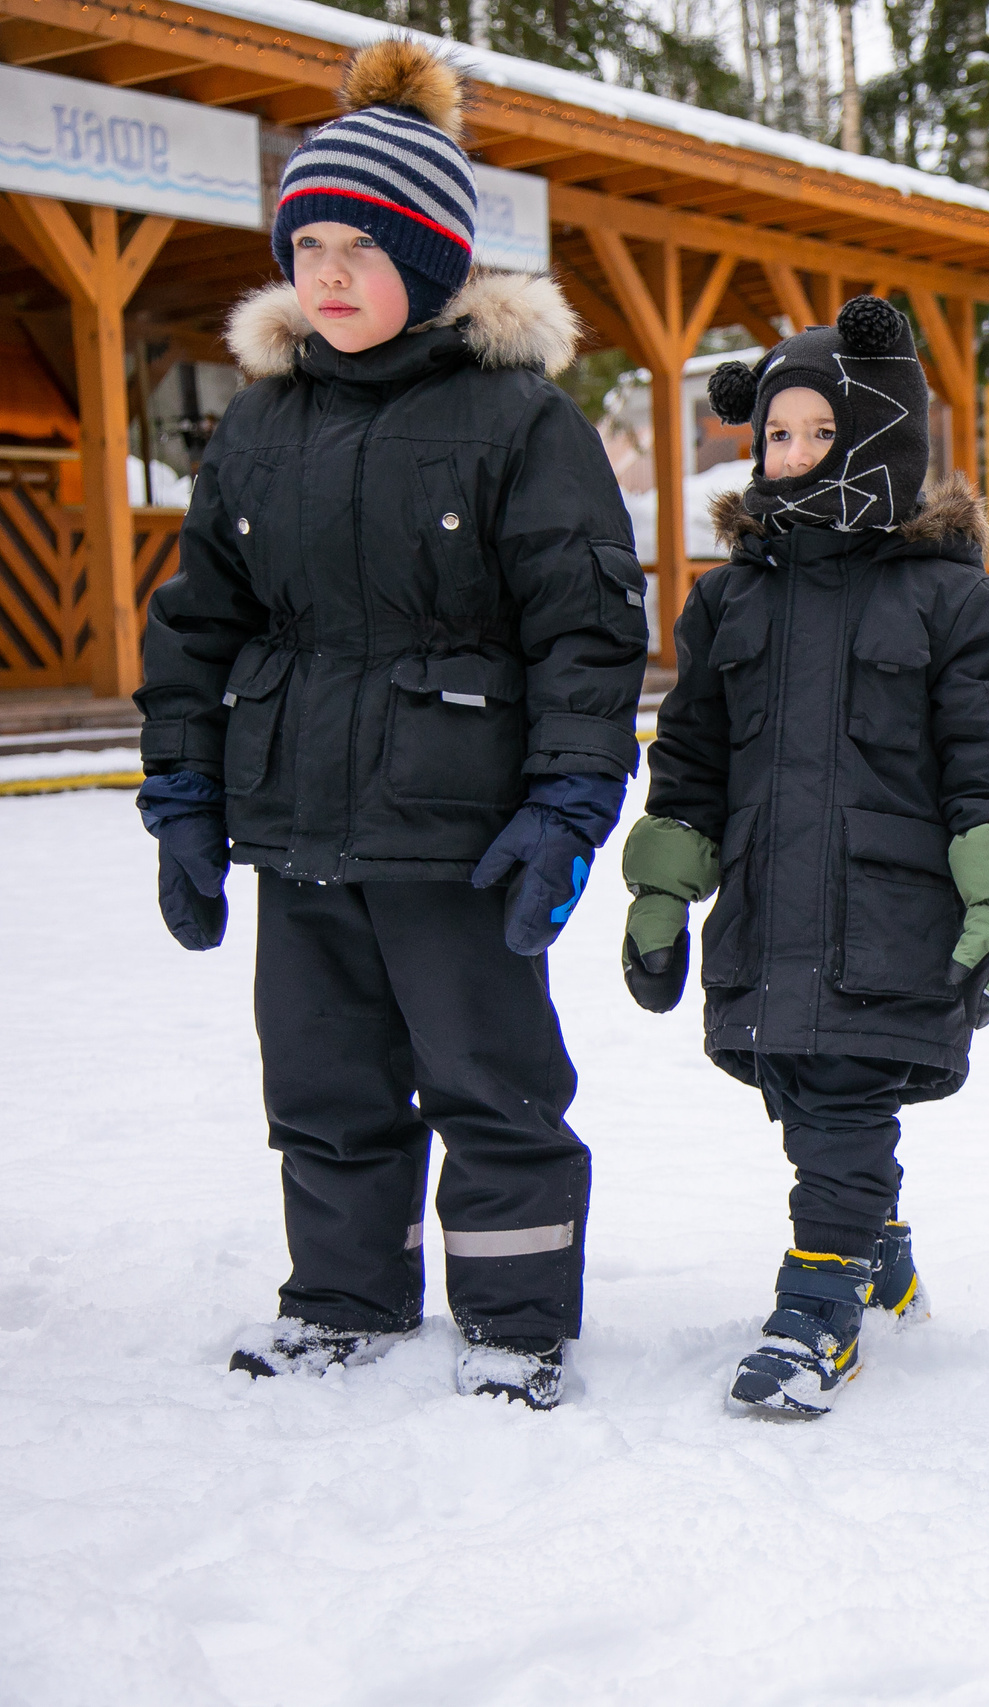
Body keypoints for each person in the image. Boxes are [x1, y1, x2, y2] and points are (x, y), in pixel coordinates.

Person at [132, 40, 647, 1410]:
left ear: (431, 258)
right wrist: (183, 790)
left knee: (491, 1082)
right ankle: (344, 1297)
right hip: (297, 822)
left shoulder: (519, 421)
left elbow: (586, 629)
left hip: (457, 830)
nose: (329, 273)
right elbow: (197, 622)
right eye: (308, 245)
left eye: (362, 246)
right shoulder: (259, 427)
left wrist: (568, 801)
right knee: (322, 1079)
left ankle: (517, 1322)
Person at [620, 296, 989, 1420]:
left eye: (823, 431)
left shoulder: (950, 599)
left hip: (890, 913)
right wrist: (663, 887)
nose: (796, 454)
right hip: (768, 906)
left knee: (843, 1105)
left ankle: (816, 1309)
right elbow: (691, 756)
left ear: (883, 435)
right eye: (777, 434)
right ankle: (878, 1246)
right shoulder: (728, 600)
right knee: (804, 1095)